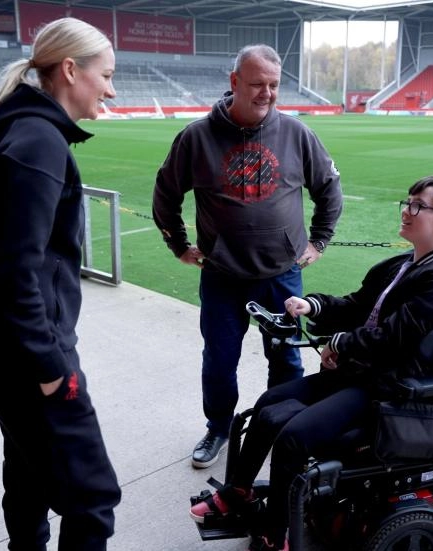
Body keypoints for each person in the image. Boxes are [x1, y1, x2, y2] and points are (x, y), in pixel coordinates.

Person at [189, 176, 433, 551]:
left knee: (293, 436)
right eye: (406, 203)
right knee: (266, 405)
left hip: (391, 390)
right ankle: (238, 493)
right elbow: (360, 306)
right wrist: (314, 306)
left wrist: (341, 345)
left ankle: (277, 535)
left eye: (417, 206)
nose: (406, 212)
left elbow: (392, 339)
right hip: (365, 372)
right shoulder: (405, 264)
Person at [0, 18, 121, 551]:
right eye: (106, 74)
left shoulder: (26, 133)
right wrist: (50, 368)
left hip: (2, 353)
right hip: (28, 359)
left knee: (28, 472)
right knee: (93, 497)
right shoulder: (40, 142)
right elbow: (16, 274)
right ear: (70, 70)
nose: (111, 89)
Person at [152, 44, 344, 469]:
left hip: (281, 274)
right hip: (222, 275)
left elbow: (329, 189)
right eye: (257, 84)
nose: (267, 93)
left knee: (286, 357)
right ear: (234, 82)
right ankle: (219, 427)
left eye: (274, 85)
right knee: (220, 359)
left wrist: (319, 241)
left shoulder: (297, 133)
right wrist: (180, 246)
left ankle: (284, 427)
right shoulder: (196, 137)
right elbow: (165, 194)